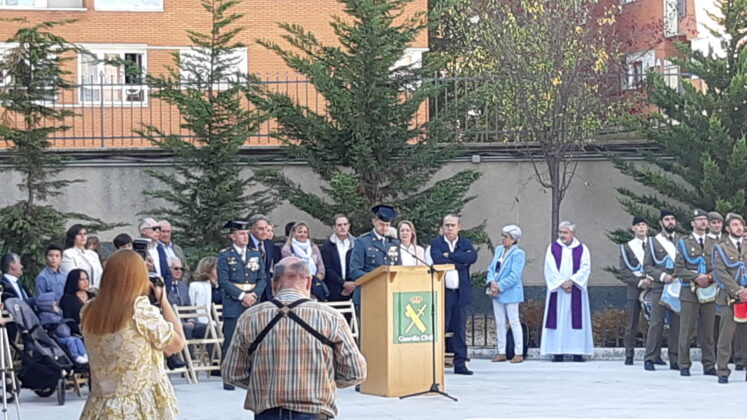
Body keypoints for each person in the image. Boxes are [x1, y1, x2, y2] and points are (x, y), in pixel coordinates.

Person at [222, 256, 367, 419]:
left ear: (274, 284)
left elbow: (231, 373)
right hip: (315, 410)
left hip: (267, 412)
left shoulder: (249, 318)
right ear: (308, 282)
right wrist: (322, 382)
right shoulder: (332, 318)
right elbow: (356, 372)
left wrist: (265, 384)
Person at [80, 250, 185, 420]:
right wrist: (164, 301)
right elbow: (176, 344)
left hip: (101, 405)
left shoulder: (89, 310)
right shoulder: (140, 310)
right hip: (139, 406)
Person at [218, 220, 266, 391]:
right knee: (231, 340)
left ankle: (252, 373)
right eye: (241, 234)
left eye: (246, 233)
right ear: (233, 236)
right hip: (234, 301)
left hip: (253, 300)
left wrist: (254, 294)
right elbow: (223, 281)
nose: (245, 237)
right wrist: (241, 296)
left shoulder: (255, 254)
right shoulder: (225, 256)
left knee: (254, 338)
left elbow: (262, 277)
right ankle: (228, 377)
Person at [430, 214, 478, 374]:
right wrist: (459, 262)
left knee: (460, 328)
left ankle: (460, 363)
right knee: (440, 327)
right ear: (442, 227)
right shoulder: (436, 243)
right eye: (447, 225)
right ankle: (436, 362)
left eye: (452, 225)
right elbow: (437, 259)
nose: (449, 228)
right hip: (443, 293)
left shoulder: (465, 243)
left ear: (459, 227)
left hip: (461, 292)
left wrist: (449, 256)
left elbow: (471, 257)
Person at [540, 220, 593, 362]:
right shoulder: (552, 248)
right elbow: (549, 268)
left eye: (565, 232)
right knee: (557, 320)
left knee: (576, 320)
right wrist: (562, 283)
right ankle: (557, 352)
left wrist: (573, 281)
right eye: (560, 232)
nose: (562, 235)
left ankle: (578, 352)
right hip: (558, 290)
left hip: (575, 290)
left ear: (572, 234)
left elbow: (585, 267)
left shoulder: (582, 249)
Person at [674, 209, 717, 377]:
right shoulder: (684, 243)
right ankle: (684, 364)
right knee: (686, 330)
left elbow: (720, 267)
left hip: (708, 290)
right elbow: (679, 269)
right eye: (699, 220)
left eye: (705, 220)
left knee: (708, 330)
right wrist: (696, 276)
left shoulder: (714, 244)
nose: (703, 223)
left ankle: (709, 364)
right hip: (689, 291)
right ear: (693, 223)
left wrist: (709, 277)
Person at [642, 209, 681, 371]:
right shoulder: (653, 242)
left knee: (676, 324)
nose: (670, 222)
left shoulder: (681, 241)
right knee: (656, 323)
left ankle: (675, 358)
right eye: (667, 219)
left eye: (672, 219)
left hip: (677, 287)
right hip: (659, 287)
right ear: (661, 222)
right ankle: (650, 357)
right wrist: (662, 275)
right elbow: (647, 266)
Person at [711, 212, 747, 384]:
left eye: (741, 225)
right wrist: (738, 290)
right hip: (729, 298)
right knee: (725, 336)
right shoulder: (720, 248)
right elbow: (720, 272)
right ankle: (723, 370)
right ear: (727, 229)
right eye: (734, 225)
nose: (739, 228)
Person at [486, 225, 525, 363]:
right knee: (499, 322)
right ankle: (501, 351)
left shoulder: (518, 254)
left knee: (514, 321)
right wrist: (491, 282)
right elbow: (491, 268)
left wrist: (500, 286)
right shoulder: (499, 250)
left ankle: (518, 352)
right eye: (502, 236)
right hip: (496, 291)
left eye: (506, 237)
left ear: (513, 239)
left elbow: (515, 275)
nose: (502, 239)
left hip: (510, 291)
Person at [350, 205, 402, 311]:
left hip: (388, 293)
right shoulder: (362, 242)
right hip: (367, 293)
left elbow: (398, 267)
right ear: (374, 222)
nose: (384, 228)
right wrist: (376, 279)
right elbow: (355, 270)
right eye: (381, 224)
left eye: (387, 225)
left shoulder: (393, 243)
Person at [618, 216, 652, 366]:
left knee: (653, 322)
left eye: (644, 225)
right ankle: (629, 354)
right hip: (635, 286)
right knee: (632, 322)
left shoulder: (654, 244)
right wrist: (639, 282)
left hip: (652, 285)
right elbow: (624, 271)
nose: (641, 228)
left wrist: (651, 279)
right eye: (638, 225)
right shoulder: (627, 247)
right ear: (633, 228)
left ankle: (653, 354)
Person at [36, 292, 89, 364]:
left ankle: (84, 354)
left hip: (63, 335)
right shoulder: (48, 317)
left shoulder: (56, 314)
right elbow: (62, 331)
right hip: (56, 337)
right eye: (55, 304)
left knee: (77, 339)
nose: (57, 305)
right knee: (71, 341)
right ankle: (76, 356)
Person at [281, 221, 328, 301]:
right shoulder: (287, 249)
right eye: (300, 232)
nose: (303, 234)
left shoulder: (314, 248)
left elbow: (320, 266)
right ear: (293, 233)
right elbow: (289, 268)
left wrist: (317, 278)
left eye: (305, 232)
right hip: (296, 287)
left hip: (314, 286)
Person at [321, 214, 356, 302]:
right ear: (334, 228)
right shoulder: (327, 246)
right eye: (339, 225)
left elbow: (358, 265)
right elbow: (328, 269)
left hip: (354, 288)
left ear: (349, 226)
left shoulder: (356, 244)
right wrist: (343, 283)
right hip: (334, 289)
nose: (342, 227)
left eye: (345, 224)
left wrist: (350, 285)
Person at [61, 224, 103, 290]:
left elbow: (100, 274)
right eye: (79, 234)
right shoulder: (68, 254)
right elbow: (73, 276)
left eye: (85, 234)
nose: (83, 236)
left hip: (97, 291)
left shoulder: (93, 254)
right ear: (73, 237)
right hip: (79, 292)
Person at [139, 218, 173, 290]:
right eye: (154, 228)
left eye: (159, 228)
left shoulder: (159, 248)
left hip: (161, 293)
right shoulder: (138, 247)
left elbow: (167, 273)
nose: (158, 231)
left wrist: (164, 293)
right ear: (143, 231)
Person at [248, 214, 276, 301]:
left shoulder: (269, 244)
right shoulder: (245, 243)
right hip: (250, 290)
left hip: (266, 290)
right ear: (252, 229)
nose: (264, 232)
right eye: (260, 229)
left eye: (265, 228)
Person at [59, 269, 95, 336]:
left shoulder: (93, 296)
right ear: (74, 281)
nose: (86, 282)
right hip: (78, 334)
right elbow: (68, 321)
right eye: (82, 279)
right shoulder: (67, 299)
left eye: (87, 279)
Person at [189, 256, 218, 325]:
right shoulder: (195, 286)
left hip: (220, 321)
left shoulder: (221, 287)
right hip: (203, 322)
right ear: (208, 269)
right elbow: (191, 306)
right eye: (216, 268)